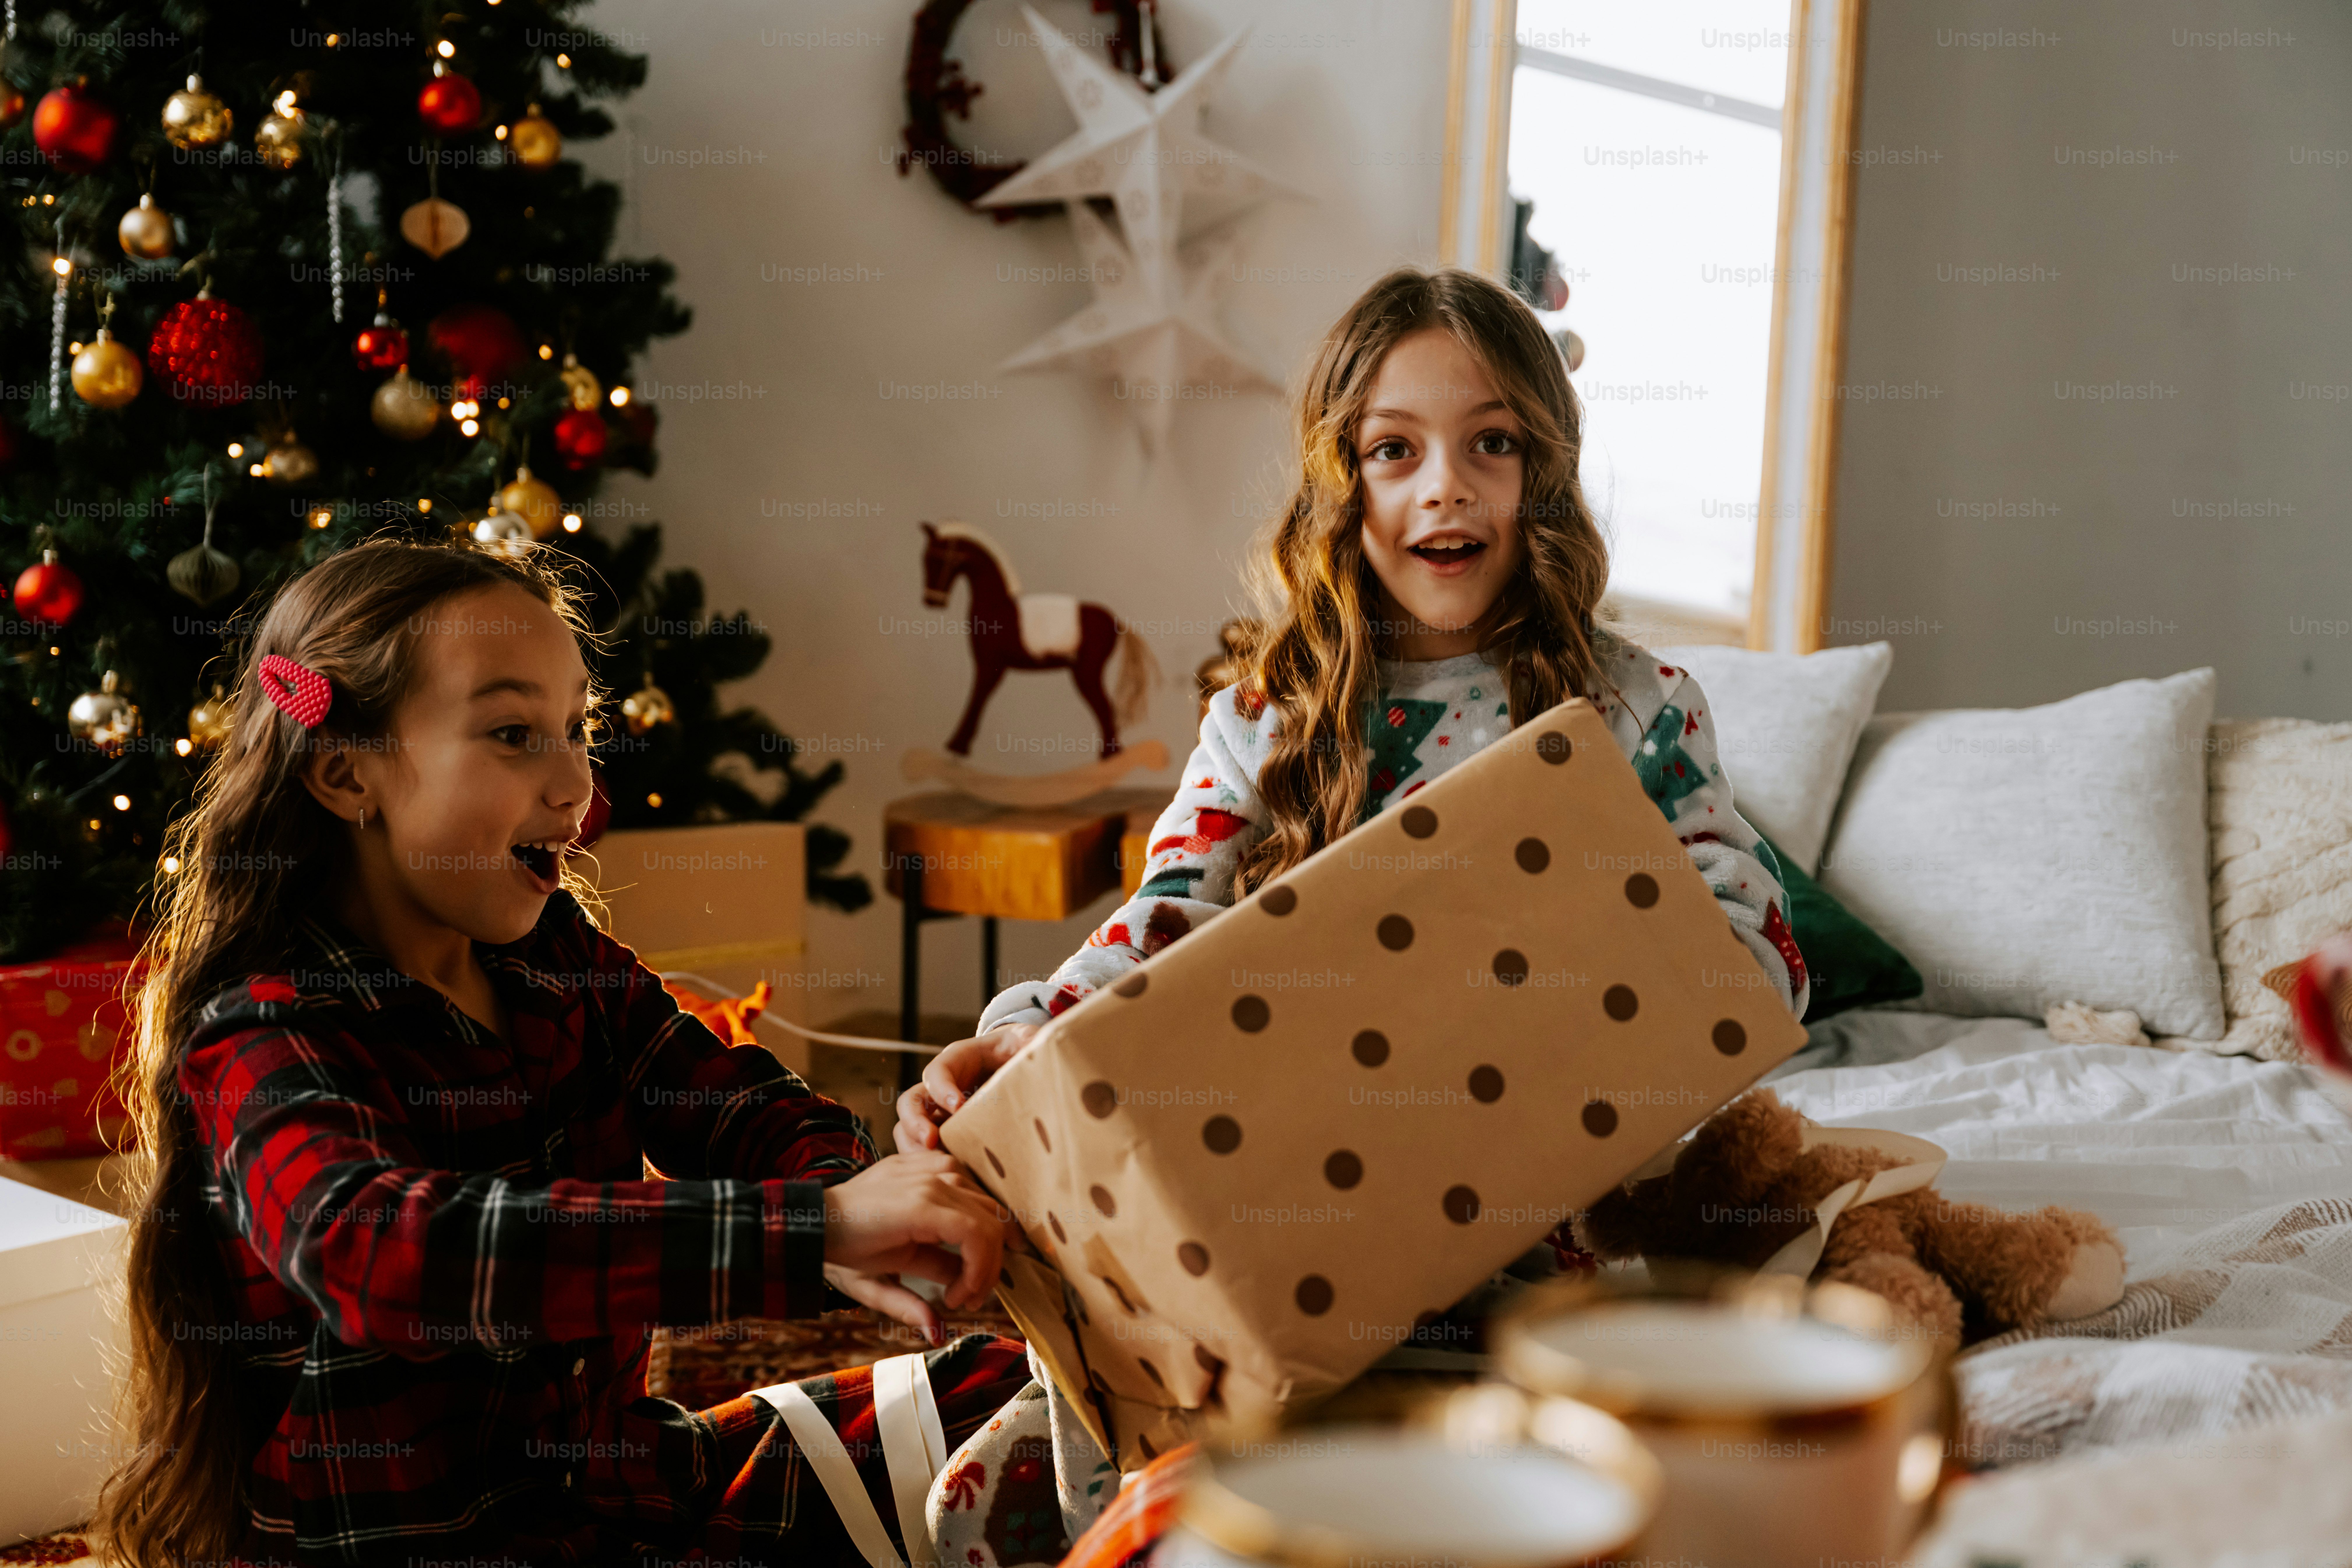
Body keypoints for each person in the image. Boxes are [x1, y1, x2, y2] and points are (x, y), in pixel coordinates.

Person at [92, 538, 1023, 1568]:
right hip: (418, 1548)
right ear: (345, 772)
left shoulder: (554, 954)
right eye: (512, 734)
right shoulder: (261, 1027)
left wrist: (869, 1200)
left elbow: (726, 1098)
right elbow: (385, 1253)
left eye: (577, 728)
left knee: (1008, 1400)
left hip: (622, 1492)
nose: (576, 780)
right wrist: (817, 1227)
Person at [899, 264, 1809, 1158]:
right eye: (1394, 450)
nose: (1445, 485)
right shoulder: (1262, 719)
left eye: (1493, 442)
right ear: (1343, 485)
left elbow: (1751, 953)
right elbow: (1163, 920)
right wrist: (1030, 1029)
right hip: (1303, 1173)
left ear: (1546, 469)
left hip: (1544, 1184)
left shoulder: (1638, 711)